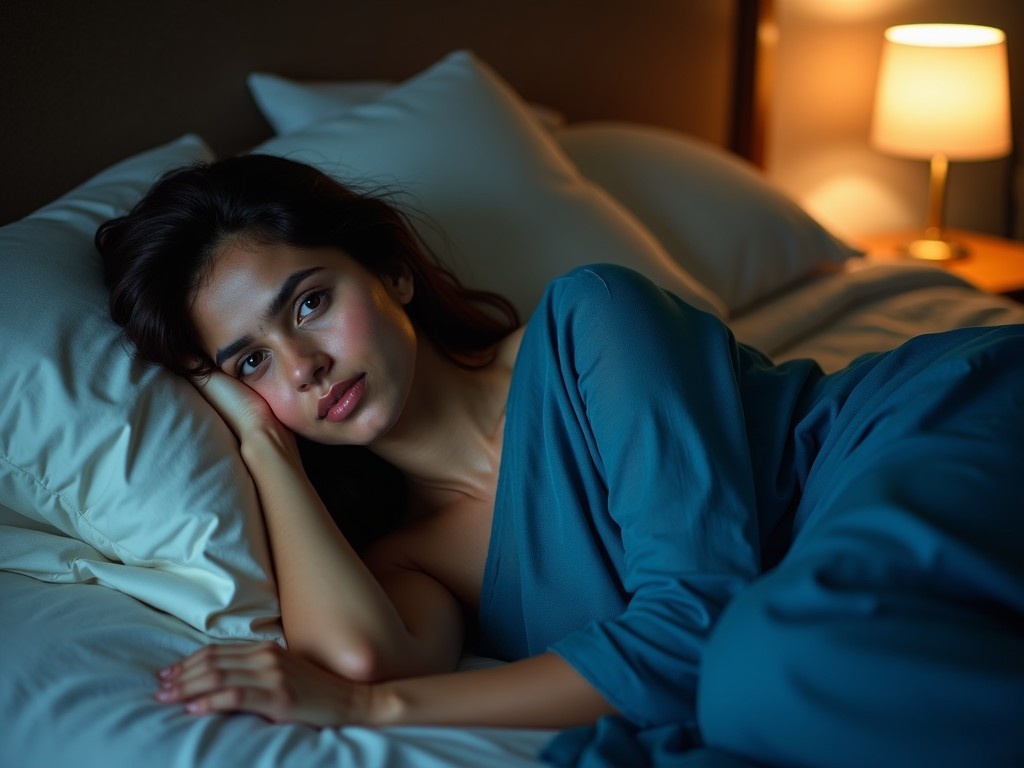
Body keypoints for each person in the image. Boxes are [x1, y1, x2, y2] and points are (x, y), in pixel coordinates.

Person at [96, 154, 1024, 768]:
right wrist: (264, 448)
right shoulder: (408, 563)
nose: (305, 369)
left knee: (763, 667)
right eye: (250, 362)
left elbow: (691, 623)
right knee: (770, 680)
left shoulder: (593, 321)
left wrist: (374, 719)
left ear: (392, 274)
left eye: (307, 303)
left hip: (928, 428)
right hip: (826, 604)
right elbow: (354, 656)